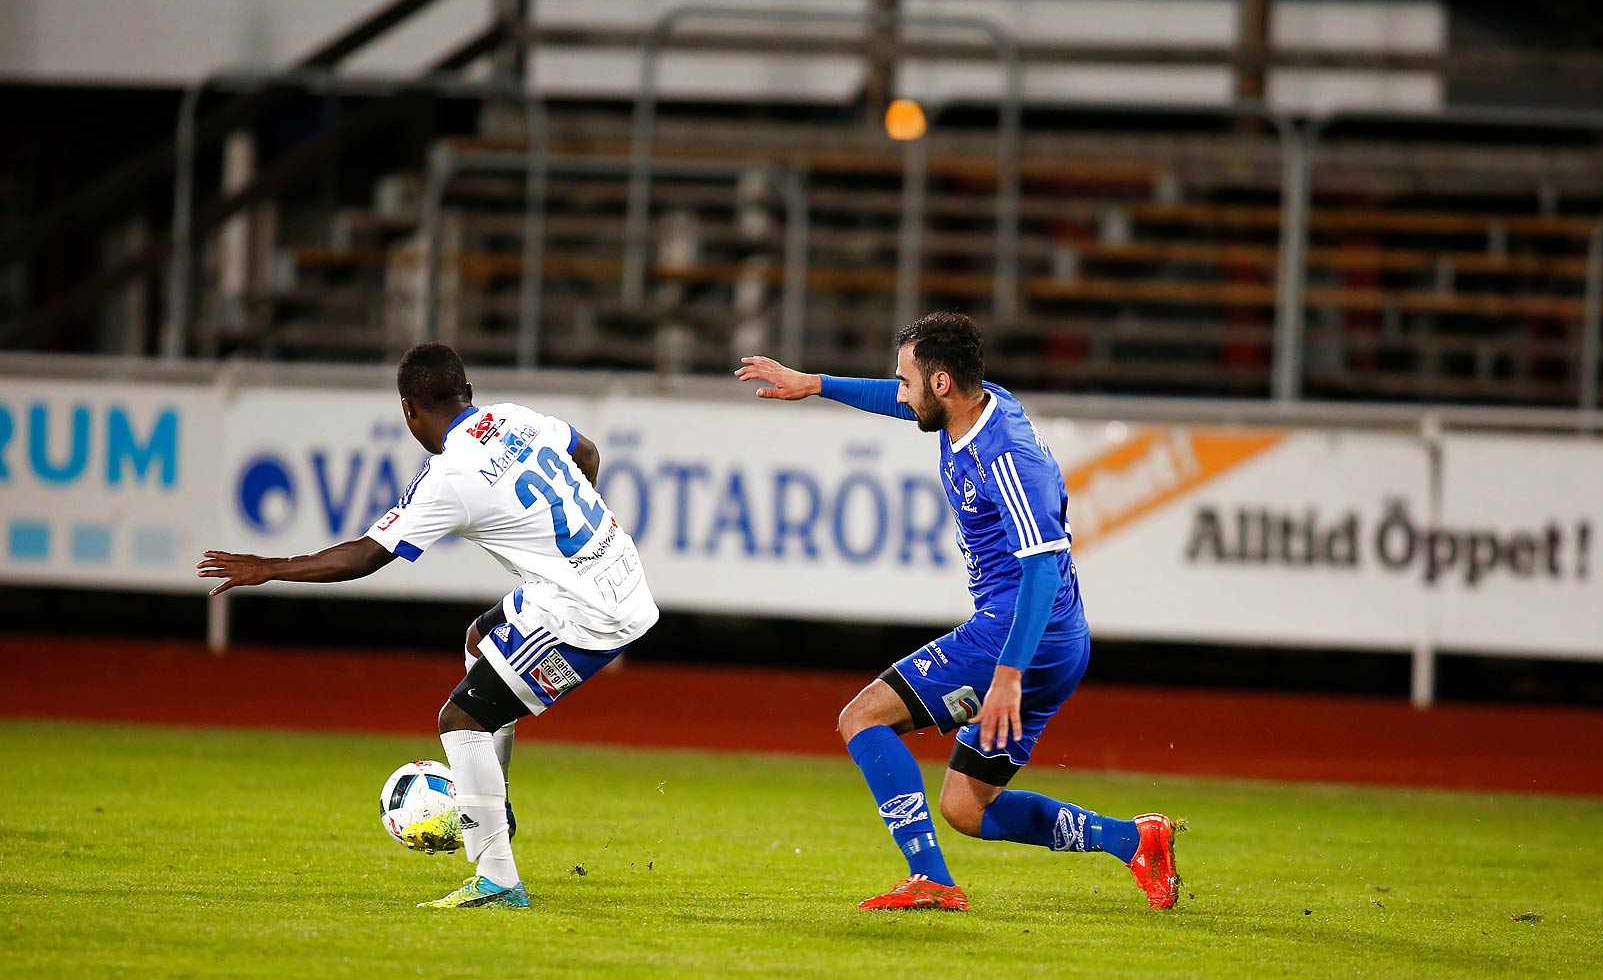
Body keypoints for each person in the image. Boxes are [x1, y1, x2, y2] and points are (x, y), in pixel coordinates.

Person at [735, 312, 1180, 911]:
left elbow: (1042, 568)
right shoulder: (976, 406)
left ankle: (932, 881)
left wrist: (1008, 674)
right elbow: (901, 404)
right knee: (966, 808)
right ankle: (1134, 841)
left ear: (941, 383)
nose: (900, 390)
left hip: (1019, 637)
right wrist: (814, 383)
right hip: (1057, 640)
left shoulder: (1007, 456)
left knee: (862, 718)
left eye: (908, 380)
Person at [197, 343, 656, 910]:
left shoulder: (449, 477)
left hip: (587, 612)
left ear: (409, 411)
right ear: (468, 392)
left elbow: (366, 556)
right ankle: (494, 801)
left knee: (459, 718)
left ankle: (498, 882)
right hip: (616, 569)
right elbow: (587, 452)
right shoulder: (514, 418)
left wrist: (269, 569)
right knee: (480, 640)